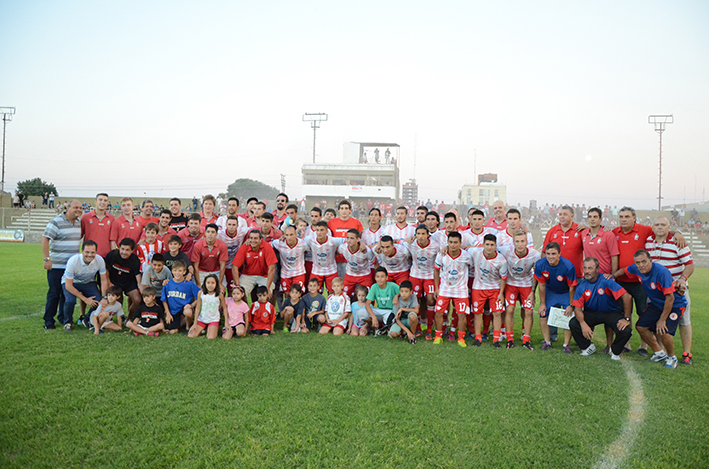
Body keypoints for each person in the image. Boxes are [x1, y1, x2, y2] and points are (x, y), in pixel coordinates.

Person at [620, 250, 687, 369]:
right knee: (641, 327)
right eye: (638, 263)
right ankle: (659, 352)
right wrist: (613, 276)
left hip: (675, 304)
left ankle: (671, 357)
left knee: (663, 330)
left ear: (651, 260)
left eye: (644, 261)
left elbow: (670, 298)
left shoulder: (662, 272)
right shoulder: (636, 269)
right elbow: (624, 270)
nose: (641, 265)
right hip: (657, 304)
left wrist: (662, 319)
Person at [645, 217, 695, 365]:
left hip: (677, 290)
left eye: (663, 225)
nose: (660, 227)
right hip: (656, 291)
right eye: (657, 224)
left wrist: (683, 278)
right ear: (652, 227)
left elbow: (690, 265)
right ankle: (661, 351)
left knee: (684, 321)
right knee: (657, 320)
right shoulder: (648, 241)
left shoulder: (677, 241)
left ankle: (687, 353)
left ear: (669, 227)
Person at [569, 257, 633, 360]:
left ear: (597, 269)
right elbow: (577, 309)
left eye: (590, 268)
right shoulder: (581, 286)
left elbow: (627, 297)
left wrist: (626, 319)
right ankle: (587, 347)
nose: (587, 271)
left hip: (611, 312)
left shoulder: (606, 280)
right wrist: (583, 324)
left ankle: (614, 350)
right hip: (592, 313)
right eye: (585, 268)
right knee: (574, 323)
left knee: (626, 330)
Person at [42, 200, 83, 330]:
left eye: (80, 208)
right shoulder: (56, 221)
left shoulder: (79, 222)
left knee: (66, 295)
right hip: (56, 265)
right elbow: (45, 239)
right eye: (75, 207)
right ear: (67, 207)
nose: (78, 210)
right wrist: (46, 258)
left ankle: (63, 318)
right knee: (54, 293)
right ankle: (48, 321)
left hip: (71, 267)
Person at [500, 231, 541, 350]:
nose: (520, 244)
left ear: (527, 242)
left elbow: (536, 274)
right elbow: (487, 246)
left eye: (522, 241)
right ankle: (509, 339)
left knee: (528, 312)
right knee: (510, 309)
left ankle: (526, 340)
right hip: (511, 284)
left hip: (526, 284)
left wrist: (533, 292)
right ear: (513, 242)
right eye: (517, 241)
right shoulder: (506, 250)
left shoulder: (535, 254)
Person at [534, 242, 577, 352]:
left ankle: (566, 345)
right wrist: (542, 303)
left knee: (568, 314)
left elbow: (572, 288)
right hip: (551, 292)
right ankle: (547, 342)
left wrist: (571, 305)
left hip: (565, 292)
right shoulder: (540, 264)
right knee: (543, 313)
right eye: (548, 253)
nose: (550, 256)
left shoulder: (568, 266)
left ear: (559, 254)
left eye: (553, 254)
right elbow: (542, 285)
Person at [468, 234, 508, 348]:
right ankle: (478, 338)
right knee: (477, 313)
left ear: (496, 245)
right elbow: (462, 248)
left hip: (494, 288)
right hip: (478, 287)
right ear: (483, 245)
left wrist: (501, 293)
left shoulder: (501, 260)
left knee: (497, 313)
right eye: (487, 244)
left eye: (492, 245)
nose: (489, 247)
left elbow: (503, 278)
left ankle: (496, 339)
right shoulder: (475, 253)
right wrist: (445, 248)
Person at [61, 240, 109, 329]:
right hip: (72, 282)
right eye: (87, 252)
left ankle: (86, 319)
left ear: (96, 252)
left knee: (98, 301)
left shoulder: (100, 260)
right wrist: (85, 299)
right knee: (70, 301)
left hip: (88, 282)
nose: (90, 255)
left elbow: (104, 280)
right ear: (82, 251)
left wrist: (104, 297)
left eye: (92, 252)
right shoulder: (73, 261)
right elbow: (68, 285)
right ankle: (68, 322)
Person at [406, 225, 439, 339]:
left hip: (429, 275)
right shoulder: (411, 244)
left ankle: (429, 329)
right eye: (418, 234)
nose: (420, 236)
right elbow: (397, 243)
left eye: (423, 234)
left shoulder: (435, 246)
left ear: (428, 235)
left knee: (430, 299)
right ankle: (418, 328)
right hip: (415, 275)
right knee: (416, 301)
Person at [232, 229, 278, 300]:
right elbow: (235, 267)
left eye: (256, 238)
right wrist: (238, 285)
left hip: (264, 275)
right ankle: (245, 310)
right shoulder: (244, 247)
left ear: (261, 239)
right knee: (239, 294)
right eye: (251, 238)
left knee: (266, 295)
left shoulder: (267, 247)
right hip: (247, 275)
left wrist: (267, 288)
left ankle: (268, 310)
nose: (253, 241)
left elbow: (272, 268)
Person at [104, 238, 143, 320]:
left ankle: (129, 318)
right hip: (114, 282)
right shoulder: (112, 255)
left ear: (132, 251)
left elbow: (138, 278)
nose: (124, 252)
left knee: (137, 300)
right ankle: (113, 318)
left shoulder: (135, 260)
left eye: (127, 250)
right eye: (122, 249)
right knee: (118, 299)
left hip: (128, 283)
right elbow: (105, 269)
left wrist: (143, 291)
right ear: (119, 247)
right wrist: (109, 282)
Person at [304, 221, 345, 293]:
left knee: (333, 293)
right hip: (316, 270)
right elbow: (297, 241)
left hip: (331, 270)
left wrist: (361, 243)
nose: (319, 233)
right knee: (313, 293)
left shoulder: (334, 240)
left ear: (327, 231)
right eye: (317, 230)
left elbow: (348, 241)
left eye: (322, 230)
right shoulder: (309, 239)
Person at [543, 205, 583, 277]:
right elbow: (544, 252)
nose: (562, 217)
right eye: (560, 214)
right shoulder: (552, 231)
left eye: (565, 214)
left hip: (576, 275)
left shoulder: (580, 231)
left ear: (572, 216)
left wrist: (588, 228)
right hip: (555, 275)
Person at [161, 260, 201, 333]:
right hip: (173, 311)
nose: (177, 273)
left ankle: (187, 327)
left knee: (188, 312)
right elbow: (164, 300)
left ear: (184, 272)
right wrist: (168, 313)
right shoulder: (167, 283)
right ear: (172, 271)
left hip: (184, 309)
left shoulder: (189, 284)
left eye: (180, 271)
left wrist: (192, 305)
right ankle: (180, 325)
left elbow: (200, 295)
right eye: (175, 270)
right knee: (173, 331)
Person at [328, 200, 364, 278]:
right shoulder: (331, 222)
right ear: (339, 210)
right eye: (342, 208)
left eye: (346, 208)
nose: (344, 211)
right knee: (338, 285)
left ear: (350, 210)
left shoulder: (356, 222)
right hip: (337, 259)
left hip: (352, 259)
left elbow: (360, 238)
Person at [272, 225, 308, 298]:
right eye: (287, 235)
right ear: (284, 235)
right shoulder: (279, 243)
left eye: (291, 234)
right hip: (285, 273)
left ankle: (299, 309)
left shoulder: (303, 244)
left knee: (297, 294)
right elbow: (267, 245)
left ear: (296, 234)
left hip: (298, 272)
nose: (289, 237)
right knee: (287, 295)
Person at [338, 229, 375, 297]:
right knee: (345, 296)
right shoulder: (342, 248)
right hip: (350, 274)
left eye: (352, 238)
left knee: (368, 296)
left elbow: (375, 262)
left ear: (358, 239)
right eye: (348, 238)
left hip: (364, 275)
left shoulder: (366, 251)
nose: (349, 240)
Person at [188, 274, 226, 339]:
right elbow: (198, 308)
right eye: (208, 283)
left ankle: (210, 329)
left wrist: (226, 323)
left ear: (216, 284)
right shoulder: (201, 293)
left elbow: (224, 308)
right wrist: (194, 323)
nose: (210, 285)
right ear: (205, 283)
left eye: (213, 283)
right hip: (202, 319)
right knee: (191, 335)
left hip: (213, 320)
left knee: (210, 337)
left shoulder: (219, 295)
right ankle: (203, 329)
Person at [366, 267, 400, 337]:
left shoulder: (392, 286)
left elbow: (404, 292)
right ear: (375, 278)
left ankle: (384, 328)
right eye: (377, 277)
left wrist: (397, 295)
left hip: (390, 311)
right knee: (362, 312)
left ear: (387, 278)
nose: (380, 279)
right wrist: (374, 317)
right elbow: (367, 304)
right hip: (379, 310)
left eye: (382, 277)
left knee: (391, 329)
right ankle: (370, 327)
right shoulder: (374, 287)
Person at [81, 192, 115, 258]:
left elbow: (112, 239)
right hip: (90, 255)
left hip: (106, 255)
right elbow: (80, 235)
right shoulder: (86, 217)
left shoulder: (111, 218)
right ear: (95, 202)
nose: (103, 202)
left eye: (105, 200)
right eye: (100, 200)